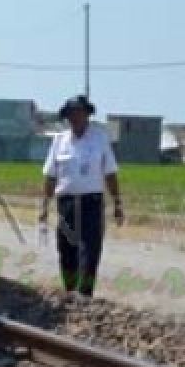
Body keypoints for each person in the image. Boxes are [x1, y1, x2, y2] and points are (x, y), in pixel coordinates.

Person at [39, 95, 124, 296]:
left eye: (79, 112)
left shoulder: (100, 138)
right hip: (66, 204)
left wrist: (118, 203)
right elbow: (50, 176)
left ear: (87, 115)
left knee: (90, 250)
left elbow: (110, 173)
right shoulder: (59, 141)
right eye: (71, 114)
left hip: (91, 204)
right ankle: (70, 292)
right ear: (67, 118)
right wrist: (44, 206)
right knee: (67, 251)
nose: (75, 117)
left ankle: (84, 296)